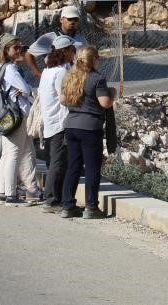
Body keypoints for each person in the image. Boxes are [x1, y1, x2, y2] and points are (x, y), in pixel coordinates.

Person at [59, 46, 117, 219]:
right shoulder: (97, 78)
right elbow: (105, 103)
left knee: (73, 167)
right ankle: (91, 207)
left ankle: (67, 205)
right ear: (94, 60)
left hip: (71, 126)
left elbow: (62, 100)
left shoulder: (70, 76)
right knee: (92, 168)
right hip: (90, 127)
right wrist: (112, 94)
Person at [0, 33, 42, 206]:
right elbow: (25, 89)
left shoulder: (2, 68)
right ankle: (11, 195)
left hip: (11, 117)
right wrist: (28, 89)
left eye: (21, 47)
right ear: (6, 50)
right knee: (13, 154)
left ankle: (5, 192)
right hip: (18, 115)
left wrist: (25, 90)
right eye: (16, 48)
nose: (20, 50)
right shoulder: (11, 69)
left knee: (11, 153)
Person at [38, 34, 76, 212]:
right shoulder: (60, 72)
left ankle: (56, 197)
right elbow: (64, 97)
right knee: (58, 162)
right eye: (72, 50)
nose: (74, 53)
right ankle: (51, 200)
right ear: (65, 51)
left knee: (57, 161)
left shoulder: (47, 70)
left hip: (51, 121)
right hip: (60, 122)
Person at [24, 5, 87, 81]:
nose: (73, 22)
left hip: (75, 80)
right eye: (70, 19)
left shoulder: (81, 39)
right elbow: (28, 54)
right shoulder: (49, 38)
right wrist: (38, 74)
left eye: (76, 19)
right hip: (54, 80)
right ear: (61, 20)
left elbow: (86, 58)